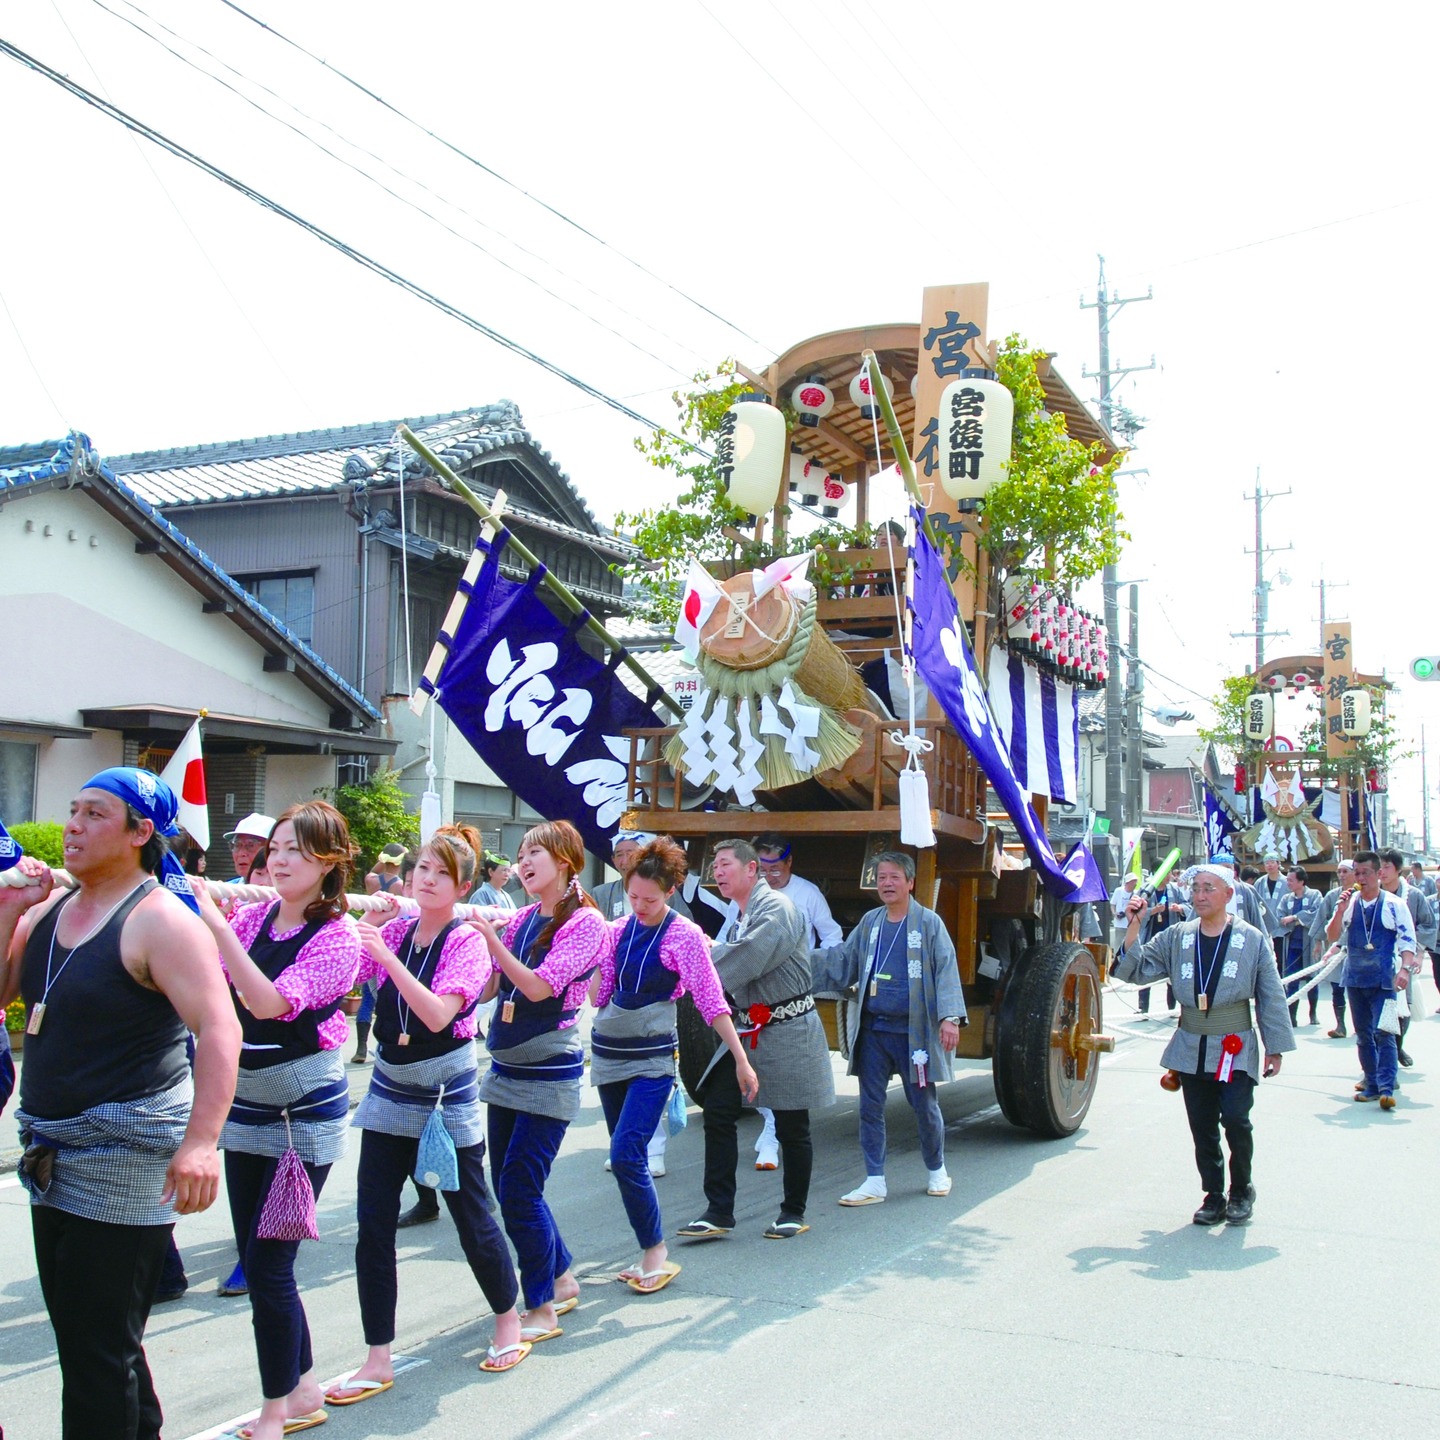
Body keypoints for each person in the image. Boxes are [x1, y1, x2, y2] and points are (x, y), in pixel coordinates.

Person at [0, 768, 241, 1440]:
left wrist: (200, 1143)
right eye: (73, 810)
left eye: (95, 813)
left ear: (142, 833)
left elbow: (221, 1029)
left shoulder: (160, 919)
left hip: (125, 1154)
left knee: (95, 1355)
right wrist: (9, 913)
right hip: (53, 1152)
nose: (73, 824)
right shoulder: (52, 910)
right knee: (101, 1346)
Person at [327, 824, 527, 1393]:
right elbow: (344, 975)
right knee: (372, 1224)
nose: (427, 880)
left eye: (442, 874)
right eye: (421, 870)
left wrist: (386, 955)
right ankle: (377, 1355)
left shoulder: (464, 938)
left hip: (447, 1088)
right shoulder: (397, 928)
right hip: (391, 1084)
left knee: (472, 1214)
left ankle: (508, 1319)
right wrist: (367, 928)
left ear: (464, 887)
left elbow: (440, 1014)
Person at [194, 801, 362, 1440]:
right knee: (258, 1258)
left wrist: (215, 925)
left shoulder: (338, 937)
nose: (281, 859)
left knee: (268, 1267)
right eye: (279, 848)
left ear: (331, 862)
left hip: (302, 1121)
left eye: (299, 849)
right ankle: (303, 1385)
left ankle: (275, 1410)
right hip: (246, 1105)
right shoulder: (256, 913)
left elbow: (268, 1003)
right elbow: (215, 991)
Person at [593, 837, 757, 1292]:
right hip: (608, 1054)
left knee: (626, 1153)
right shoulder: (617, 930)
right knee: (626, 1159)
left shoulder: (683, 934)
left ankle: (655, 1252)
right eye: (633, 897)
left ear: (670, 892)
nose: (640, 906)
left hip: (651, 1060)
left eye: (650, 898)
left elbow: (711, 1000)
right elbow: (597, 997)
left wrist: (741, 1061)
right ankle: (649, 1248)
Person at [471, 821, 609, 1347]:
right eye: (522, 853)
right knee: (510, 1189)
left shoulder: (586, 923)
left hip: (550, 1072)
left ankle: (542, 1307)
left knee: (520, 1191)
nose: (525, 862)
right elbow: (492, 985)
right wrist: (473, 947)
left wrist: (493, 944)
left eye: (536, 853)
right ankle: (562, 1274)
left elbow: (536, 986)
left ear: (566, 862)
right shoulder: (522, 918)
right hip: (506, 1069)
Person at [1113, 864, 1294, 1226]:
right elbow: (1133, 969)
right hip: (1191, 1045)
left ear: (1229, 894)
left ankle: (1242, 1188)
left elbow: (1271, 993)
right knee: (1202, 1125)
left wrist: (1275, 1046)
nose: (1199, 895)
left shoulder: (1252, 939)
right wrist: (1135, 922)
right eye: (1195, 888)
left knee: (1237, 1120)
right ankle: (1213, 1195)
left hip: (1235, 1044)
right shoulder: (1177, 936)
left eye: (1209, 888)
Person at [678, 840, 836, 1242]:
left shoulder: (777, 909)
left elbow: (745, 959)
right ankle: (719, 1210)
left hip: (787, 1027)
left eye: (726, 864)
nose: (718, 871)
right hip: (749, 1029)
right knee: (717, 1108)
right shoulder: (740, 914)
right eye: (715, 865)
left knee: (791, 1125)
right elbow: (732, 953)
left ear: (752, 870)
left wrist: (695, 960)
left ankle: (792, 1211)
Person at [813, 851, 965, 1205]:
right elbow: (842, 962)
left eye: (894, 877)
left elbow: (946, 970)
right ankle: (874, 1179)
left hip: (914, 1035)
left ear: (910, 882)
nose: (887, 883)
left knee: (923, 1105)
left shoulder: (928, 923)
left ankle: (937, 1169)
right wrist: (798, 962)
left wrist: (950, 1017)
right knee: (870, 1106)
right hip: (875, 1032)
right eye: (881, 877)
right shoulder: (870, 923)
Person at [752, 835, 842, 1170]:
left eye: (775, 868)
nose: (769, 876)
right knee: (753, 1056)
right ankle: (770, 1125)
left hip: (793, 989)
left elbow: (832, 935)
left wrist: (813, 965)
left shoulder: (807, 894)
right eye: (762, 869)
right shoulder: (751, 893)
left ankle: (773, 1135)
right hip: (756, 986)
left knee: (782, 1061)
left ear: (789, 863)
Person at [1325, 850, 1421, 1111]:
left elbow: (1407, 939)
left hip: (1384, 980)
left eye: (1365, 872)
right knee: (1364, 1035)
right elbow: (1333, 935)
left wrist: (1405, 970)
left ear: (1379, 874)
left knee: (1386, 1032)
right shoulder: (1351, 902)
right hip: (1355, 978)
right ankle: (1371, 1083)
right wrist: (1339, 910)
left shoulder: (1393, 904)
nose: (1360, 878)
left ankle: (1388, 1087)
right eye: (1356, 873)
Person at [1377, 848, 1432, 1069]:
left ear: (1399, 869)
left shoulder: (1414, 895)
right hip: (1377, 958)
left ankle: (1396, 1046)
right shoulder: (1371, 893)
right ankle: (1384, 1057)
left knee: (1403, 1007)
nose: (1382, 871)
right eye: (1379, 866)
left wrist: (1418, 954)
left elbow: (1427, 925)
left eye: (1387, 866)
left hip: (1403, 959)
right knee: (1377, 1008)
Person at [1311, 861, 1355, 1039]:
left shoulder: (1362, 895)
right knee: (1337, 987)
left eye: (1345, 871)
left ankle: (1360, 1024)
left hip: (1356, 948)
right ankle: (1340, 1024)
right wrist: (1318, 942)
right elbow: (1322, 919)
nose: (1342, 875)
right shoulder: (1332, 896)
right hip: (1336, 946)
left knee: (1356, 990)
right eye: (1339, 872)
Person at [1278, 865, 1322, 1025]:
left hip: (1309, 942)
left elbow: (1317, 914)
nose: (1288, 882)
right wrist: (1292, 921)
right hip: (1292, 944)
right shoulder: (1286, 899)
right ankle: (1292, 1016)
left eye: (1291, 880)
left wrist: (1295, 918)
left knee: (1312, 978)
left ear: (1301, 881)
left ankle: (1313, 1013)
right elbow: (1281, 917)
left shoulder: (1314, 895)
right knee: (1292, 979)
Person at [1135, 880, 1184, 1016]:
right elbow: (1136, 911)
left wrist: (1179, 908)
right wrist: (1153, 910)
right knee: (1144, 969)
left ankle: (1172, 1008)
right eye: (1167, 872)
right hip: (1150, 937)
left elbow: (1187, 905)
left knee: (1172, 971)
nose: (1169, 876)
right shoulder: (1146, 890)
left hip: (1170, 937)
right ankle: (1143, 1008)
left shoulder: (1174, 890)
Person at [1254, 855, 1288, 967]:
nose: (1269, 865)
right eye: (1266, 863)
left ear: (1278, 864)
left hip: (1281, 927)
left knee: (1281, 958)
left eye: (1272, 862)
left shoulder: (1286, 882)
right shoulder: (1259, 882)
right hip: (1264, 926)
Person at [224, 813, 276, 882]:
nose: (241, 853)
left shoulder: (287, 891)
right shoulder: (228, 888)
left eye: (250, 845)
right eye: (237, 845)